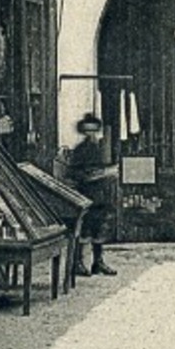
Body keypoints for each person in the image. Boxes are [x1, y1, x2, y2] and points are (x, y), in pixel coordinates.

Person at [65, 112, 117, 277]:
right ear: (84, 131)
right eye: (88, 131)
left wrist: (106, 173)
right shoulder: (80, 150)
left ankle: (98, 262)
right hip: (85, 193)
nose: (92, 134)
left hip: (100, 194)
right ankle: (77, 263)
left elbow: (102, 166)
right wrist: (101, 174)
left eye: (94, 130)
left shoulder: (99, 148)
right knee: (84, 229)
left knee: (99, 228)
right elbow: (75, 173)